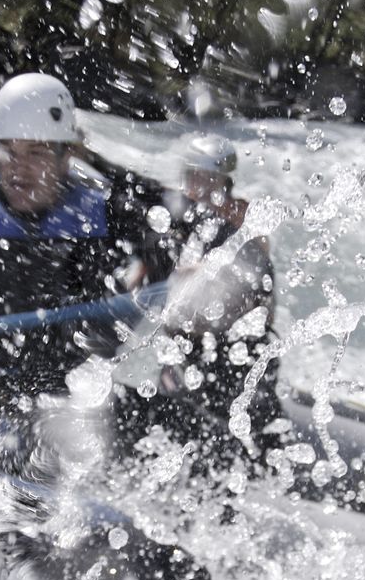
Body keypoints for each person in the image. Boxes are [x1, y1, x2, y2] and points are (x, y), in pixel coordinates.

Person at [0, 73, 209, 580]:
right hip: (8, 403)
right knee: (10, 520)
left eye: (36, 153)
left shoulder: (101, 212)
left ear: (64, 154)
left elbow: (171, 221)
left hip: (78, 397)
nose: (18, 168)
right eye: (9, 152)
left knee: (46, 521)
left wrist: (93, 157)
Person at [110, 134, 285, 470]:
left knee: (245, 426)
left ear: (226, 185)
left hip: (237, 361)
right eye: (194, 178)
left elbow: (260, 301)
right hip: (184, 359)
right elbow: (135, 296)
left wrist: (210, 274)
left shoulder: (244, 229)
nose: (201, 189)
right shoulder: (170, 228)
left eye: (210, 181)